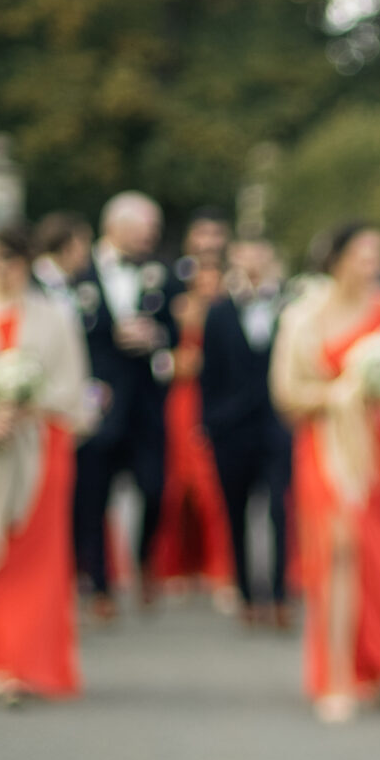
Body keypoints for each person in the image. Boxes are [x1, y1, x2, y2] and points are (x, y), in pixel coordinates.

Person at [271, 220, 380, 721]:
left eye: (379, 253)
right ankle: (336, 675)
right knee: (337, 551)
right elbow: (287, 393)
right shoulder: (303, 316)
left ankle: (372, 665)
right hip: (326, 447)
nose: (374, 263)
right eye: (365, 253)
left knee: (379, 558)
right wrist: (340, 394)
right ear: (338, 259)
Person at [0, 222, 94, 700]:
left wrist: (28, 406)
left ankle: (27, 659)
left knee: (34, 557)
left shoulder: (54, 317)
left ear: (23, 263)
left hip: (40, 447)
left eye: (7, 259)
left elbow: (72, 386)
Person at [71, 191, 176, 616]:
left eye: (154, 230)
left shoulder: (162, 275)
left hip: (147, 403)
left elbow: (176, 330)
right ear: (115, 227)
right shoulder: (81, 273)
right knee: (95, 494)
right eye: (143, 229)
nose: (150, 237)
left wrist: (155, 337)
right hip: (101, 400)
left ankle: (145, 555)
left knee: (155, 487)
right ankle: (100, 585)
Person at [201, 237, 294, 627]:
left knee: (280, 510)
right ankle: (245, 593)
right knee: (235, 511)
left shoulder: (290, 306)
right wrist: (210, 424)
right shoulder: (218, 312)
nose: (253, 263)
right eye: (245, 256)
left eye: (259, 254)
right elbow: (209, 374)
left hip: (277, 425)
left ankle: (279, 594)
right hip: (231, 429)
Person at [150, 220, 238, 601]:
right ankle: (177, 566)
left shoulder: (227, 311)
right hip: (184, 400)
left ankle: (220, 568)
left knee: (211, 485)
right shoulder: (181, 308)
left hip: (214, 398)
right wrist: (176, 362)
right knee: (179, 483)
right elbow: (164, 354)